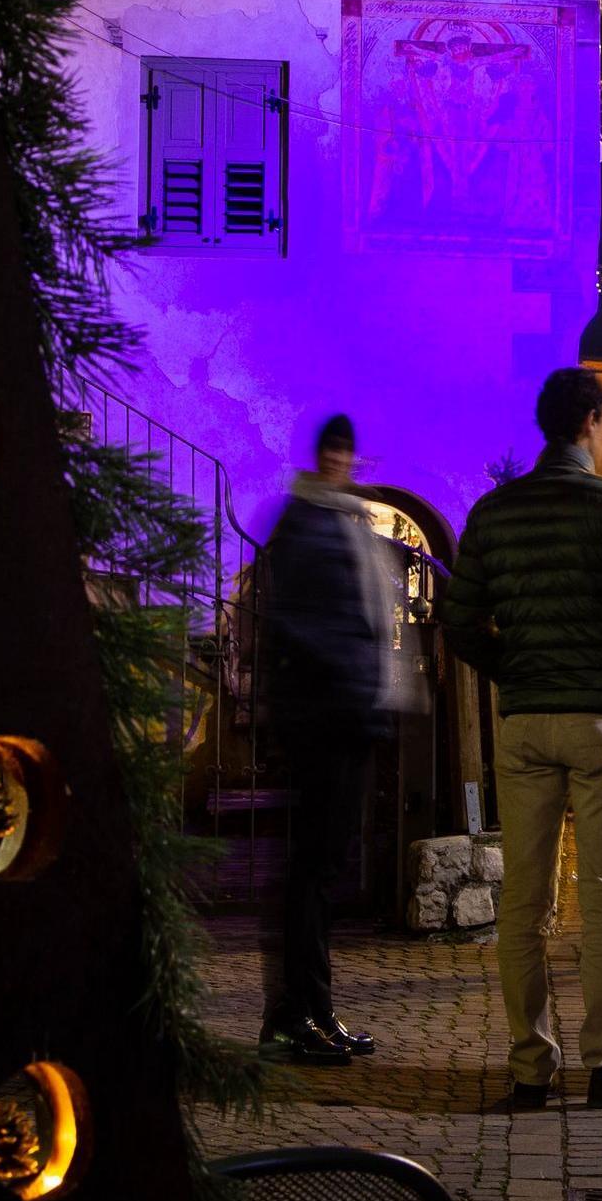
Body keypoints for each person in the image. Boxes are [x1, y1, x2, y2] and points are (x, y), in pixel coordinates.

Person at [440, 368, 602, 1111]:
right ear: (588, 424)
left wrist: (513, 664)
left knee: (524, 900)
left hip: (526, 719)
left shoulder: (494, 512)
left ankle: (529, 1068)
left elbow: (456, 620)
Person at [258, 415, 399, 1065]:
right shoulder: (308, 524)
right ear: (318, 456)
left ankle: (313, 1009)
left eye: (348, 448)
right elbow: (304, 626)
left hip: (343, 714)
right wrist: (352, 684)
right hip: (327, 717)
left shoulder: (338, 520)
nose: (342, 458)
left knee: (322, 869)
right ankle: (295, 1016)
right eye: (333, 449)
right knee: (313, 870)